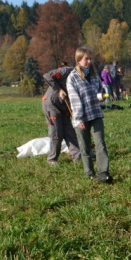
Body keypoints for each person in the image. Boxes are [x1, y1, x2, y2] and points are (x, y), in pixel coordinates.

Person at [66, 46, 112, 183]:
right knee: (85, 147)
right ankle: (89, 173)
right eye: (86, 59)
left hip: (96, 114)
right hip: (81, 118)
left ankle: (103, 172)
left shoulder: (94, 74)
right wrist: (79, 119)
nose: (89, 62)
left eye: (90, 59)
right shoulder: (72, 78)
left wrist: (102, 96)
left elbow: (99, 90)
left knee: (100, 144)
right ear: (79, 59)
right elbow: (74, 101)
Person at [41, 64, 81, 164]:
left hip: (65, 106)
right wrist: (59, 90)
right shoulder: (66, 71)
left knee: (69, 131)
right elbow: (47, 76)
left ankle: (78, 156)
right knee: (56, 132)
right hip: (52, 105)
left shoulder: (84, 79)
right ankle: (52, 159)